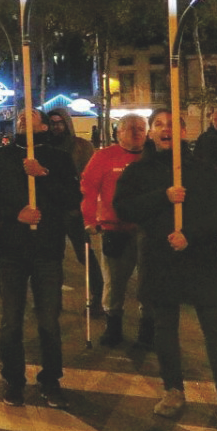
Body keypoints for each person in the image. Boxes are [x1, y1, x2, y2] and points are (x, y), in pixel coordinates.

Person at [114, 109, 217, 421]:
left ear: (184, 133)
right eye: (158, 124)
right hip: (159, 259)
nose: (165, 130)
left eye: (172, 125)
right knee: (165, 328)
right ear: (150, 133)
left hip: (202, 261)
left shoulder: (205, 171)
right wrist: (163, 196)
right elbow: (123, 208)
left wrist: (191, 234)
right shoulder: (137, 173)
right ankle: (173, 389)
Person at [0, 109, 80, 409]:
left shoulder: (58, 158)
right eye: (20, 116)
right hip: (10, 251)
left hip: (47, 251)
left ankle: (50, 380)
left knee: (48, 320)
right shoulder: (1, 157)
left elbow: (73, 198)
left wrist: (43, 176)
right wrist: (16, 213)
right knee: (11, 321)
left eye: (31, 115)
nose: (23, 118)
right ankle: (13, 380)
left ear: (44, 125)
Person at [81, 114, 149, 348]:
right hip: (113, 228)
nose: (136, 132)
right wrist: (90, 219)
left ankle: (147, 328)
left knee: (148, 281)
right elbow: (88, 189)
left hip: (146, 230)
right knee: (114, 282)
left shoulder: (152, 157)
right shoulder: (104, 157)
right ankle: (114, 327)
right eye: (130, 128)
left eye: (140, 128)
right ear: (118, 133)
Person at [47, 107, 103, 315]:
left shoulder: (81, 147)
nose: (56, 127)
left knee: (86, 255)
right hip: (52, 211)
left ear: (67, 123)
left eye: (59, 122)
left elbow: (91, 179)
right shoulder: (43, 147)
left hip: (76, 210)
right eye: (52, 123)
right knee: (52, 258)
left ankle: (98, 296)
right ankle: (53, 299)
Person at [195, 108, 217, 172]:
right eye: (215, 119)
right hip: (207, 172)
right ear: (212, 121)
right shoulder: (204, 137)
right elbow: (196, 155)